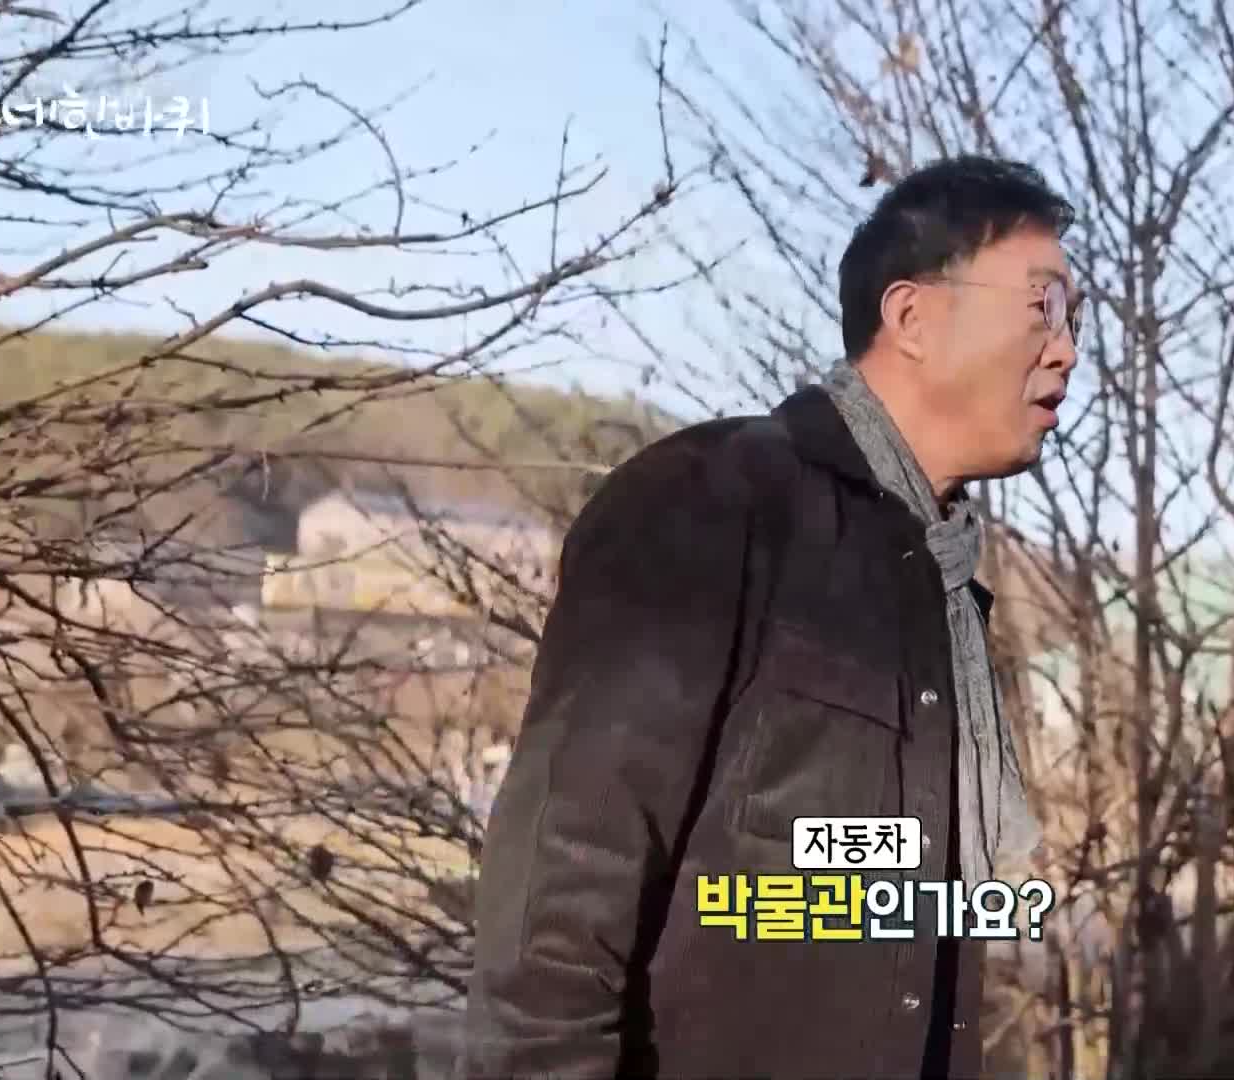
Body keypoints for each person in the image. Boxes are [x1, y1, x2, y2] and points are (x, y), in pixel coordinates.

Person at [461, 154, 1081, 1079]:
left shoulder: (943, 588)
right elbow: (564, 882)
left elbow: (836, 893)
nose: (1066, 349)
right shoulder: (710, 504)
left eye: (1074, 318)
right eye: (1042, 306)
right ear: (912, 317)